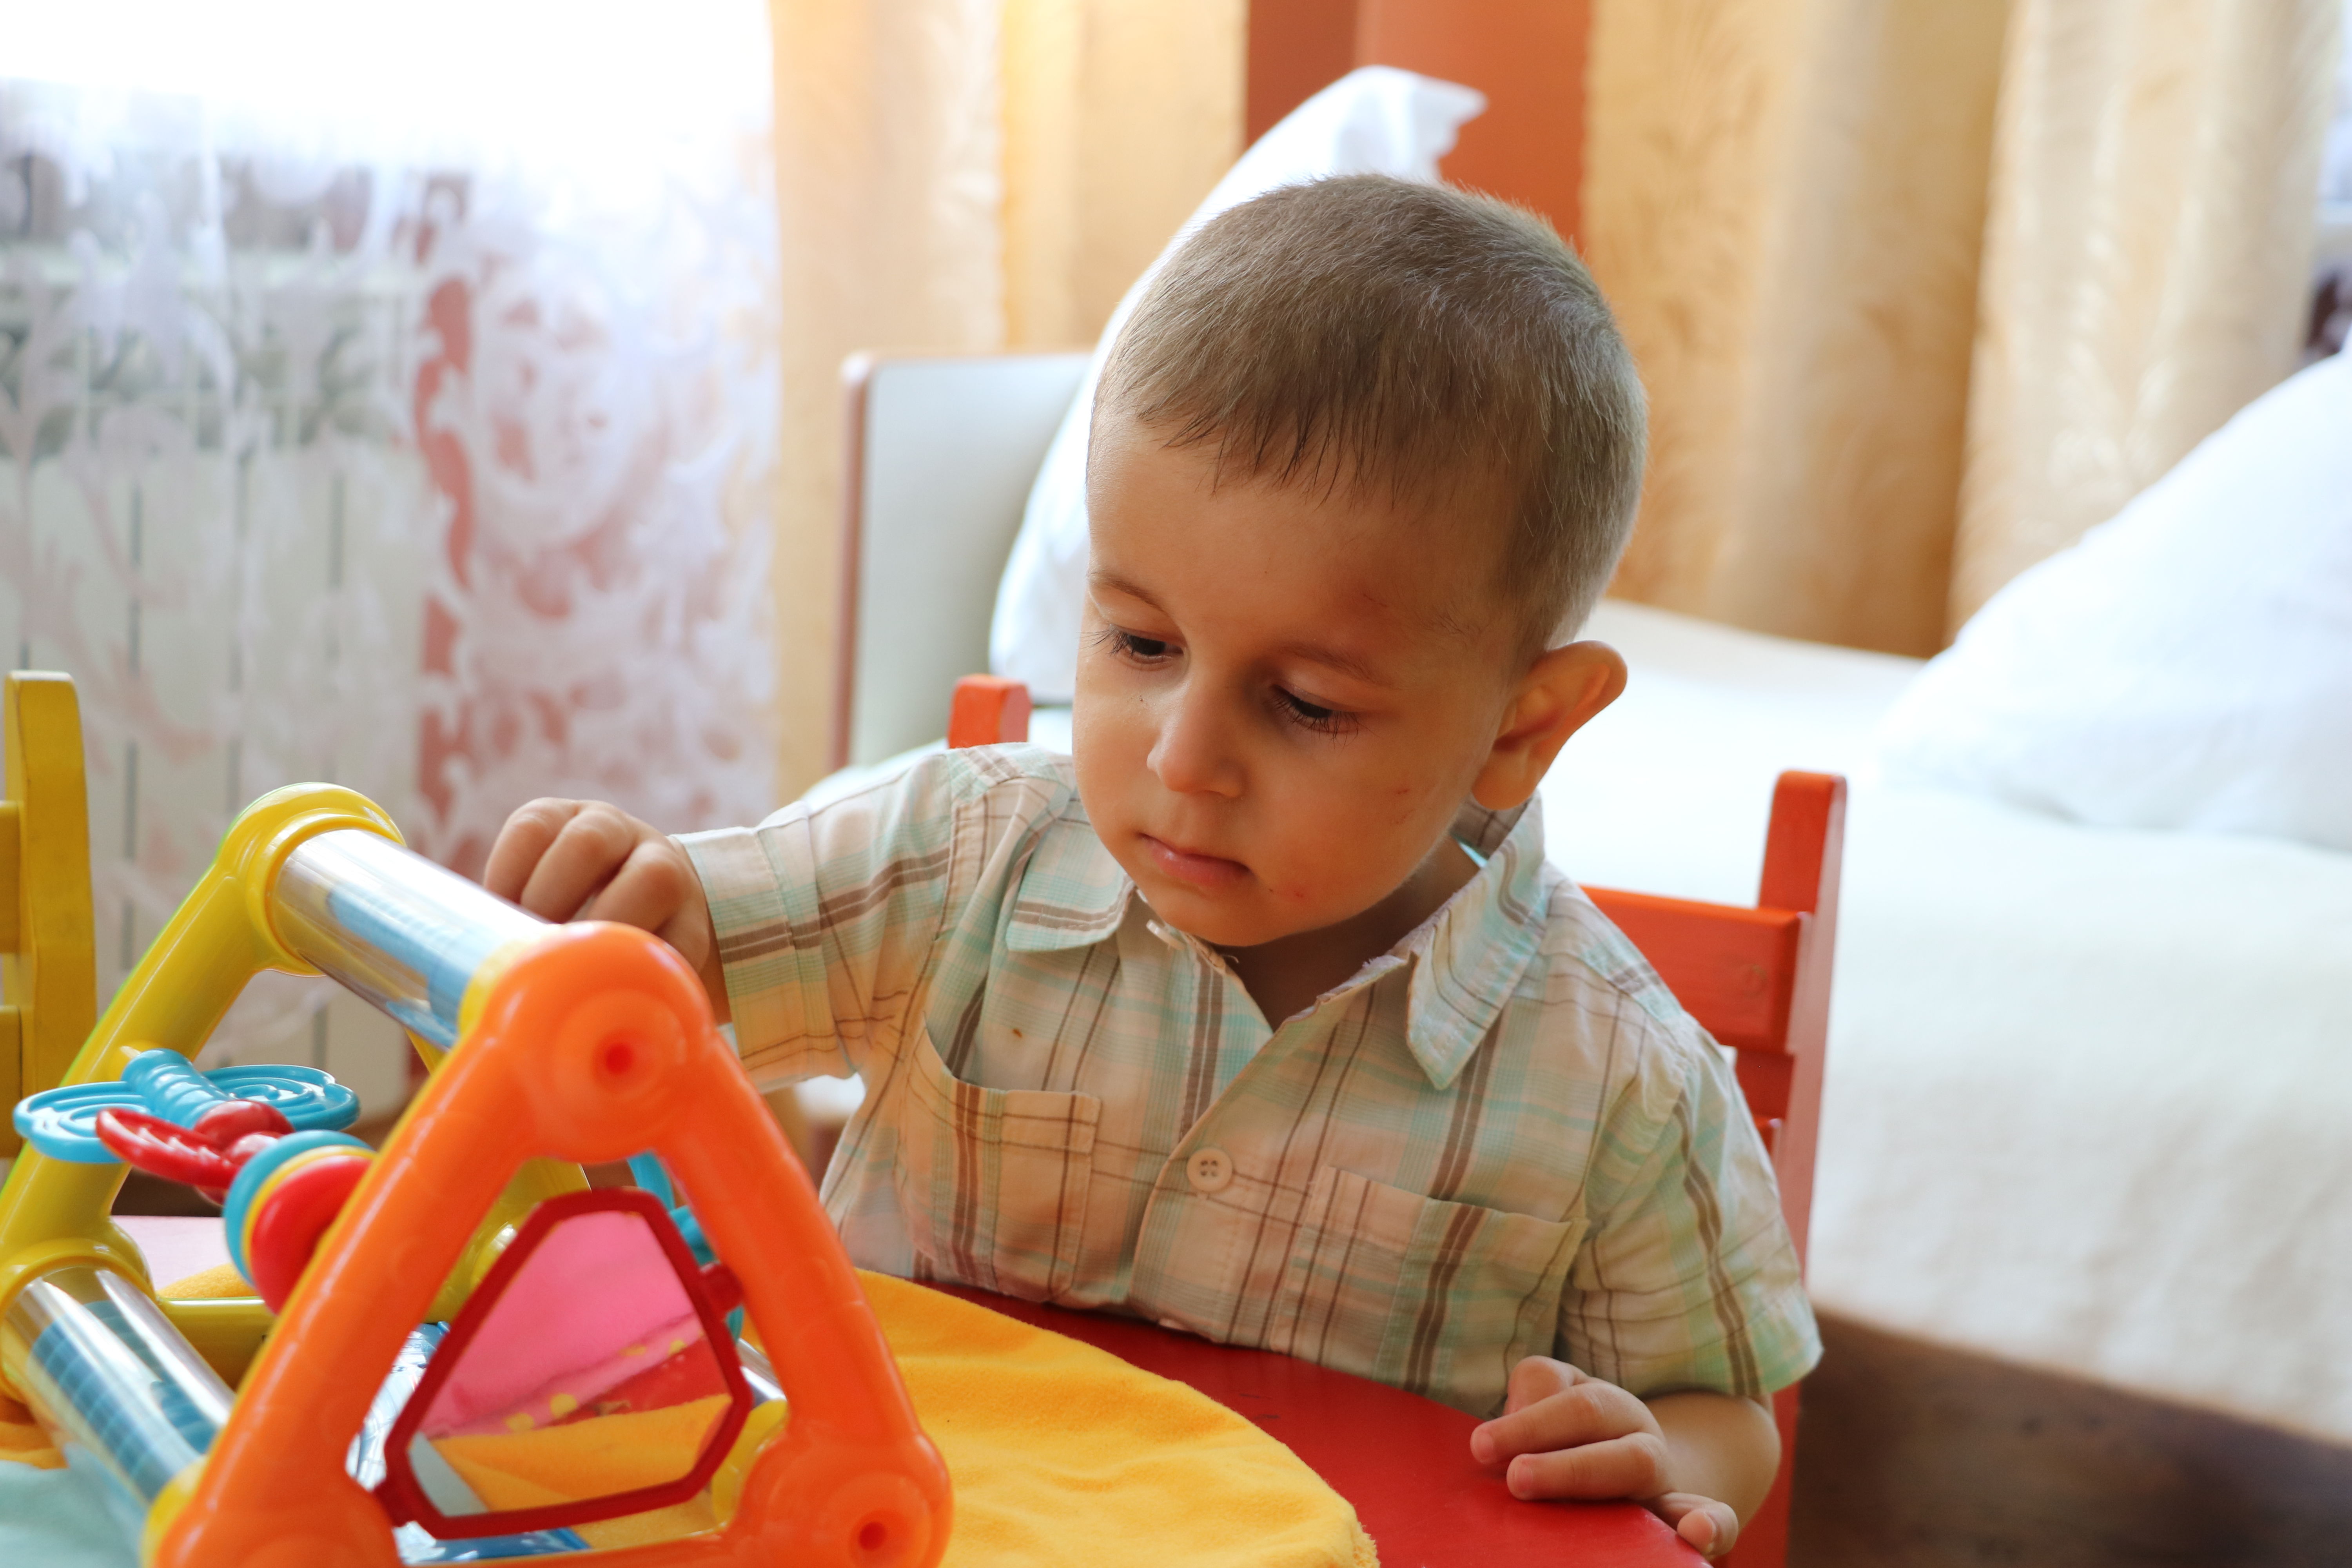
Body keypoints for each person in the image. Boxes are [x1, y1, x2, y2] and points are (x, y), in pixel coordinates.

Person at [483, 174, 1818, 1559]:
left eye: (1306, 703)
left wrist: (1655, 1450)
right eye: (1139, 643)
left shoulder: (1622, 1077)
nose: (1184, 757)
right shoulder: (953, 859)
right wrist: (630, 897)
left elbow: (1723, 1411)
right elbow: (670, 966)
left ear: (1522, 728)